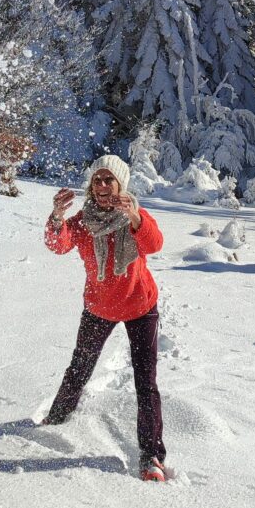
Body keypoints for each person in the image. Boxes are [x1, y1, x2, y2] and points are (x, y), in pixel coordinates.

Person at [42, 155, 168, 482]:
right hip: (98, 307)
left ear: (120, 184)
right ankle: (53, 424)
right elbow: (57, 244)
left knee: (146, 382)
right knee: (78, 370)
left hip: (140, 306)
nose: (101, 186)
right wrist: (57, 216)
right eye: (97, 180)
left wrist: (136, 218)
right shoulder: (83, 221)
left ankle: (151, 455)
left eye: (108, 180)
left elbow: (154, 245)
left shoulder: (133, 216)